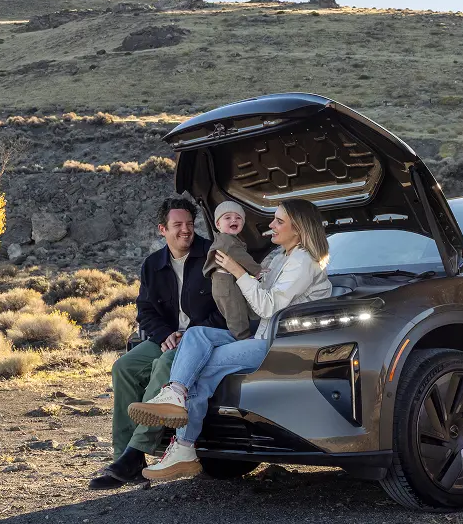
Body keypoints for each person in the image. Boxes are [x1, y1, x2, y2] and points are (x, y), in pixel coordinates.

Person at [127, 198, 333, 480]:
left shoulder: (303, 261)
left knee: (202, 367)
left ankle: (184, 446)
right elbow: (256, 301)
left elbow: (267, 307)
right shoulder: (281, 258)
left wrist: (237, 271)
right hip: (261, 335)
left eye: (278, 221)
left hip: (280, 345)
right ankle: (175, 393)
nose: (271, 225)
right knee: (196, 334)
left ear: (297, 228)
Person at [88, 198, 225, 490]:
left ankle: (135, 451)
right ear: (162, 229)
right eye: (178, 225)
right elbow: (146, 310)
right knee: (124, 367)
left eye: (190, 224)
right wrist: (165, 334)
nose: (186, 230)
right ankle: (125, 459)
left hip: (203, 339)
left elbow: (226, 309)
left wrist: (191, 334)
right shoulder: (153, 264)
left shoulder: (212, 256)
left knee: (165, 363)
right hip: (168, 337)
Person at [202, 201, 262, 340]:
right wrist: (258, 270)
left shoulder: (229, 239)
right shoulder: (226, 241)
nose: (233, 220)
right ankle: (243, 338)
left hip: (227, 282)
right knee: (235, 311)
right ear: (218, 224)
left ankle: (247, 333)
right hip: (225, 284)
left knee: (238, 308)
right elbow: (242, 258)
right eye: (227, 217)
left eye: (238, 218)